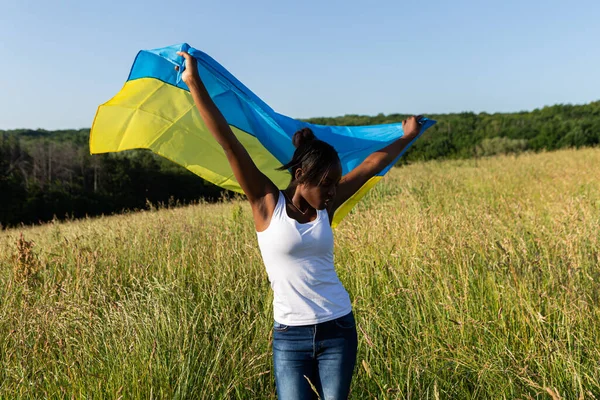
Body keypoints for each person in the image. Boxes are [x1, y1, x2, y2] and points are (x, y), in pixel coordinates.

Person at [176, 51, 423, 400]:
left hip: (338, 327)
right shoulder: (265, 204)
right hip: (290, 336)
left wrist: (406, 137)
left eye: (335, 184)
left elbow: (369, 165)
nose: (332, 191)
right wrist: (194, 82)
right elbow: (229, 143)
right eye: (326, 184)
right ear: (300, 175)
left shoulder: (327, 207)